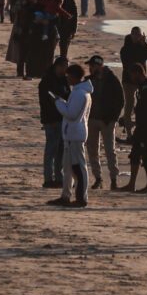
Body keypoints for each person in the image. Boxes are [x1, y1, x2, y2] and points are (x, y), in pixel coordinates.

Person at [55, 60, 94, 207]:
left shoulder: (80, 93)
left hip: (75, 135)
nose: (67, 78)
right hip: (72, 134)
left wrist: (59, 103)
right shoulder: (79, 92)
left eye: (68, 76)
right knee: (68, 168)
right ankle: (66, 195)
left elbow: (71, 114)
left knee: (78, 167)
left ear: (74, 77)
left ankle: (81, 198)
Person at [86, 54, 124, 191]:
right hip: (91, 120)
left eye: (92, 65)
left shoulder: (112, 80)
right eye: (89, 66)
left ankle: (114, 179)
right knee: (92, 150)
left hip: (107, 121)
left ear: (99, 65)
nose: (90, 68)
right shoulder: (88, 80)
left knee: (110, 150)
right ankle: (98, 178)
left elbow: (120, 100)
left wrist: (113, 118)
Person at [38, 61, 70, 190]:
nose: (65, 70)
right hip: (51, 120)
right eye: (63, 67)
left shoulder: (64, 80)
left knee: (61, 151)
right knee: (51, 149)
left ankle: (59, 178)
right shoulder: (47, 81)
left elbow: (68, 97)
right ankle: (48, 179)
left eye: (66, 67)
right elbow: (45, 103)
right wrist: (48, 119)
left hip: (63, 119)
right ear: (57, 66)